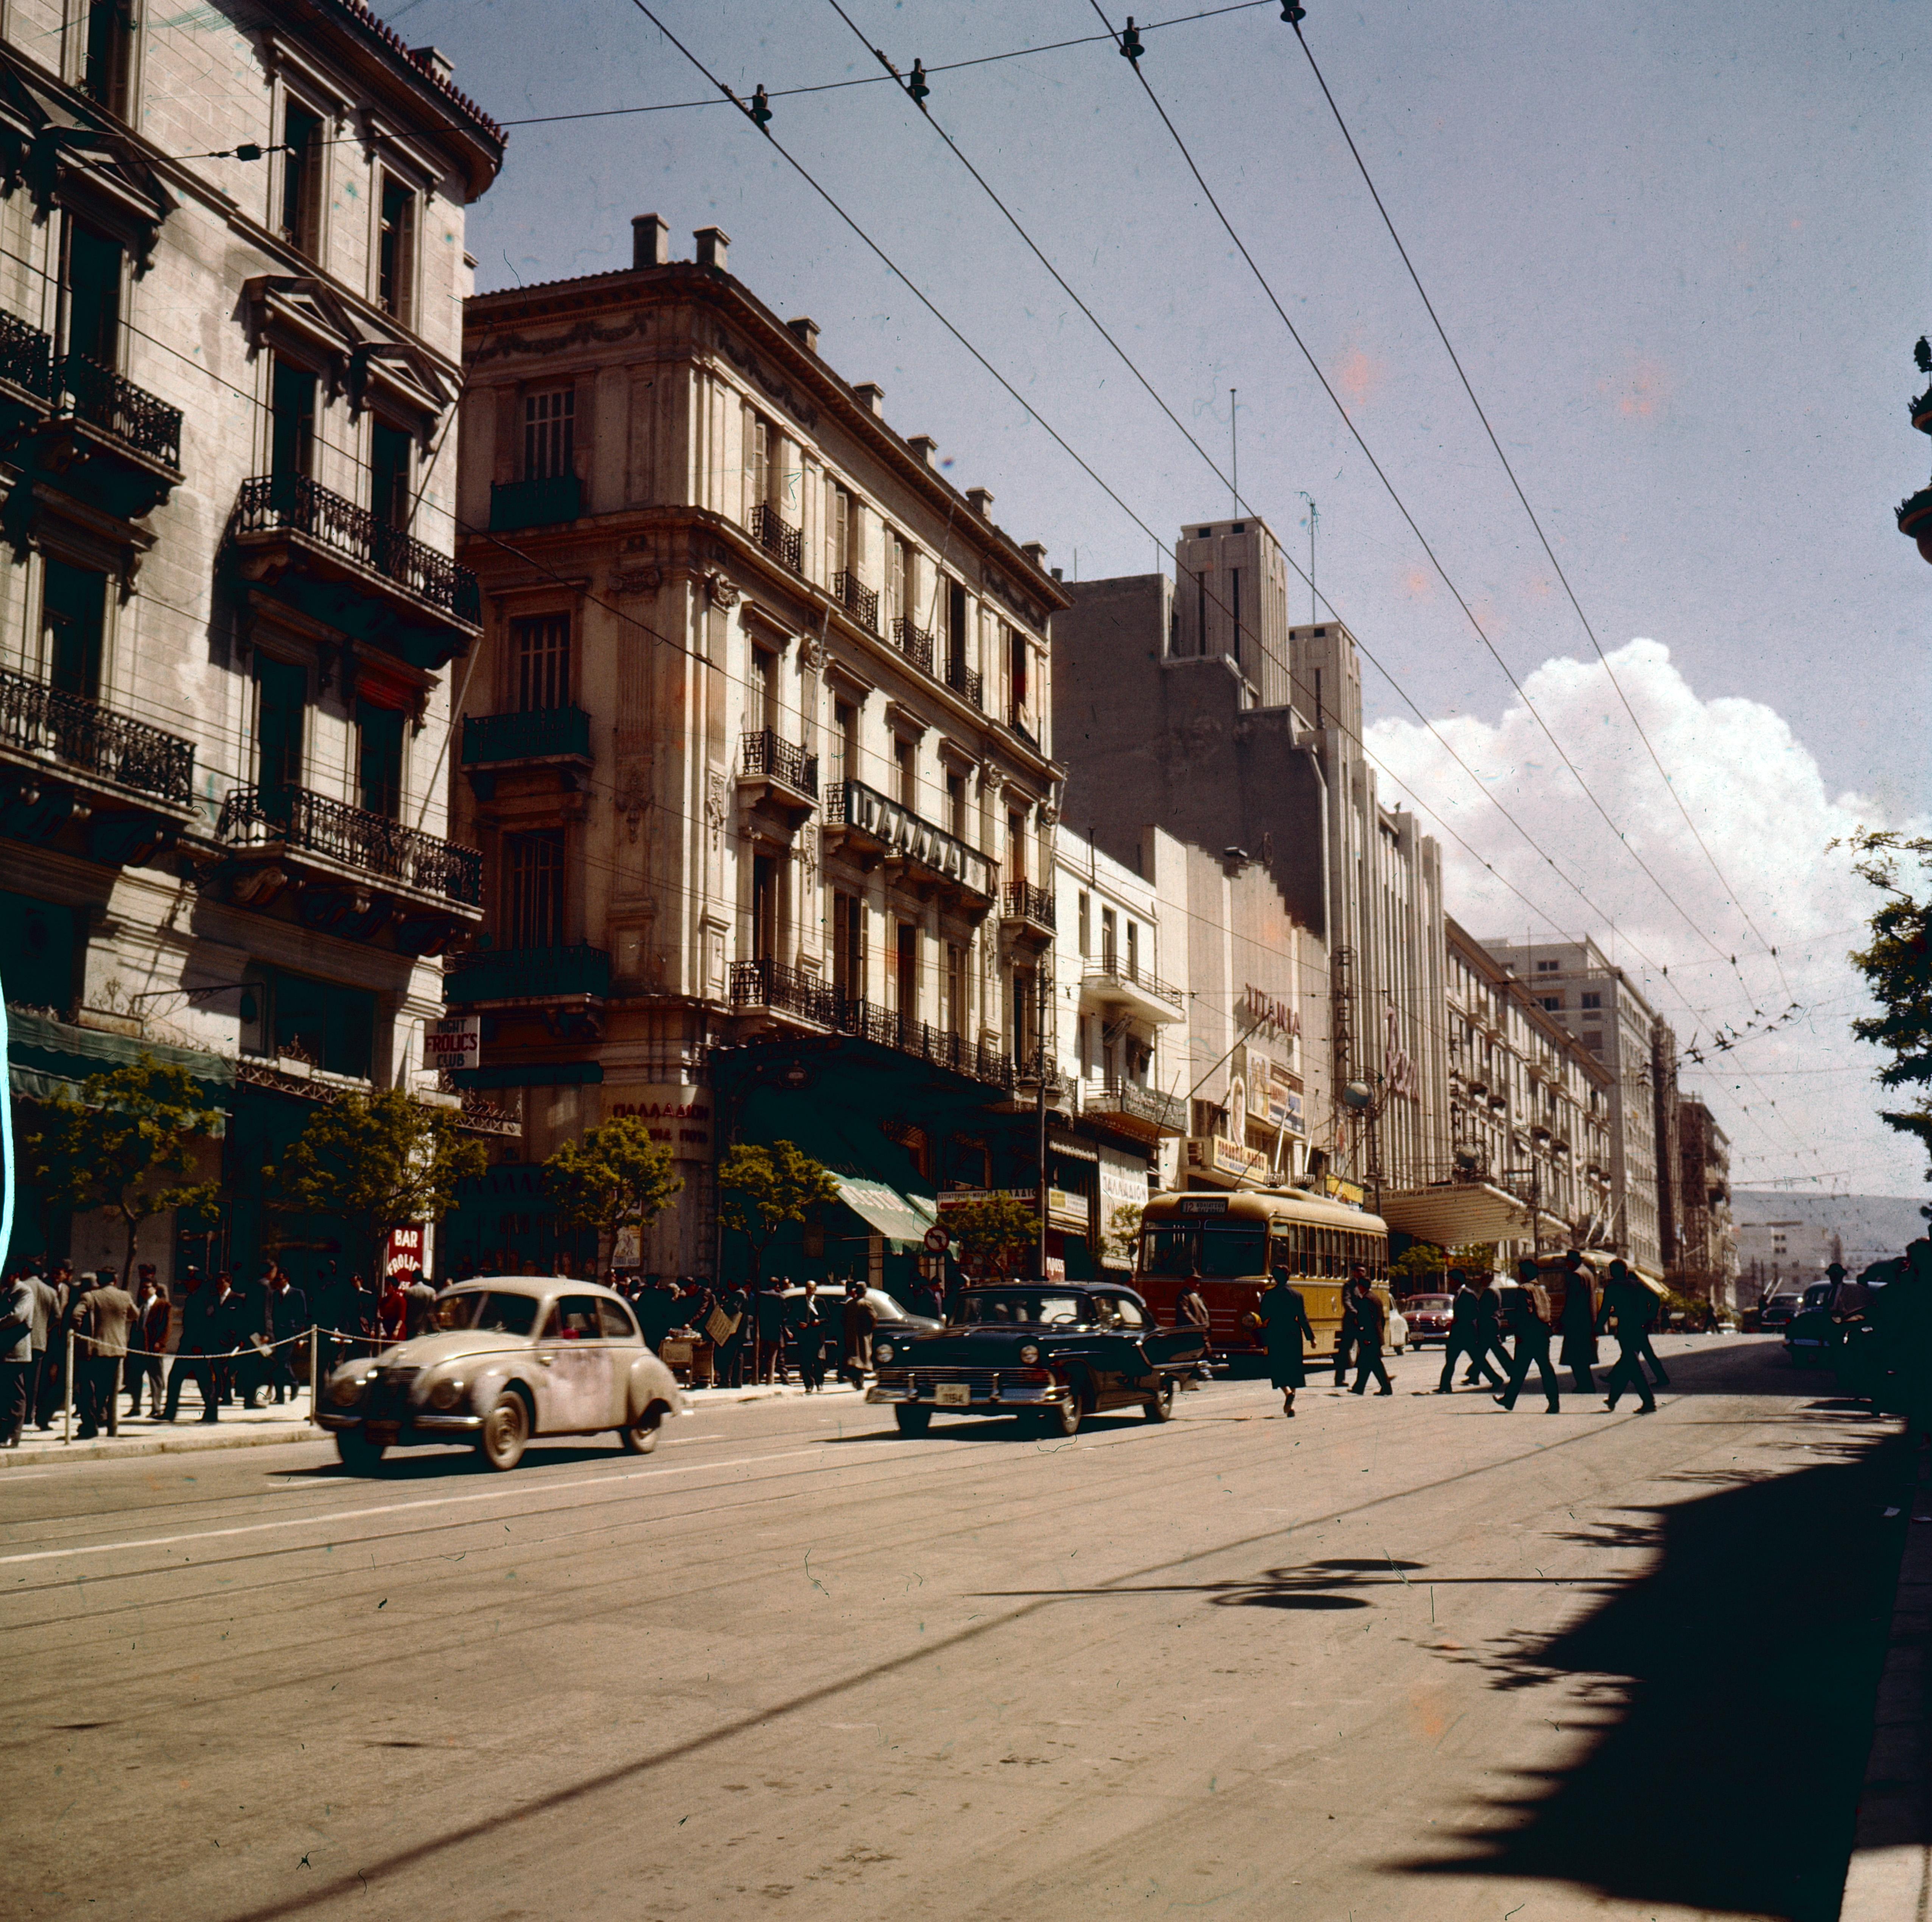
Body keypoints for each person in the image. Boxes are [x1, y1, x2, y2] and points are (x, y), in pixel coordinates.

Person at [76, 1268, 138, 1438]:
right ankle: (105, 1420)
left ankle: (90, 1425)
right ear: (115, 1280)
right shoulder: (125, 1296)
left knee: (89, 1390)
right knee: (107, 1389)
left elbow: (76, 1316)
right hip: (117, 1349)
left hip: (96, 1349)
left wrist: (80, 1333)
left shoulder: (90, 1296)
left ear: (99, 1281)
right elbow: (135, 1314)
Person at [1494, 1261, 1561, 1413]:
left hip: (1528, 1334)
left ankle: (1510, 1399)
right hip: (1543, 1333)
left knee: (1521, 1369)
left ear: (1524, 1273)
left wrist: (1516, 1327)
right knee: (1544, 1368)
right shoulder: (1541, 1290)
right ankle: (1553, 1402)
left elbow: (1526, 1312)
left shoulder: (1524, 1289)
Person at [1596, 1258, 1659, 1414]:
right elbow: (1655, 1299)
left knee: (1634, 1367)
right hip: (1639, 1329)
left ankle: (1649, 1402)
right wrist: (1649, 1319)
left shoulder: (1612, 1288)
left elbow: (1605, 1310)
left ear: (1612, 1273)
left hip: (1626, 1330)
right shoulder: (1637, 1285)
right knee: (1627, 1365)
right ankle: (1612, 1400)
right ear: (1625, 1272)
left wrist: (1597, 1327)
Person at [160, 1270, 222, 1423]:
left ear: (198, 1282)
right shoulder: (193, 1297)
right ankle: (170, 1412)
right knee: (176, 1378)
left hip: (199, 1348)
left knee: (205, 1381)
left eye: (190, 1280)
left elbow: (207, 1324)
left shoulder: (206, 1299)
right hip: (188, 1346)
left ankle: (211, 1413)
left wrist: (200, 1345)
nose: (187, 1284)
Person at [1256, 1267, 1314, 1416]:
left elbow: (1263, 1315)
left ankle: (1288, 1393)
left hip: (1276, 1332)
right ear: (1288, 1276)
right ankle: (1290, 1406)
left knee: (1278, 1366)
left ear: (1275, 1278)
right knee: (1293, 1367)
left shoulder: (1269, 1295)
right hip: (1294, 1332)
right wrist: (1311, 1337)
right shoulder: (1297, 1295)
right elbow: (1303, 1318)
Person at [1438, 1270, 1505, 1393]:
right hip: (1459, 1334)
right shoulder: (1458, 1295)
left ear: (1457, 1281)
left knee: (1478, 1360)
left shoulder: (1468, 1294)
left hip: (1467, 1334)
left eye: (1451, 1280)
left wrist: (1461, 1319)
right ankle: (1445, 1386)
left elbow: (1475, 1313)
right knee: (1451, 1360)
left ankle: (1496, 1379)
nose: (1450, 1282)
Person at [1556, 1251, 1599, 1396]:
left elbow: (1572, 1302)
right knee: (1583, 1357)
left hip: (1576, 1323)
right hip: (1587, 1322)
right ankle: (1587, 1384)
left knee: (1575, 1357)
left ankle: (1584, 1385)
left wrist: (1562, 1322)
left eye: (1567, 1262)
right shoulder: (1588, 1274)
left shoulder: (1576, 1276)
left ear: (1572, 1262)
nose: (1567, 1265)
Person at [128, 1269, 169, 1418]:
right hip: (138, 1348)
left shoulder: (163, 1305)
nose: (144, 1291)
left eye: (147, 1287)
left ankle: (157, 1407)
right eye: (142, 1288)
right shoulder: (141, 1305)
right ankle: (136, 1407)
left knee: (155, 1379)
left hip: (154, 1348)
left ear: (155, 1289)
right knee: (135, 1378)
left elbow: (166, 1327)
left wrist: (161, 1343)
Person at [266, 1269, 310, 1404]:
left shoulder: (297, 1294)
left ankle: (294, 1382)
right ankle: (280, 1395)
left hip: (290, 1333)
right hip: (276, 1333)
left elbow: (302, 1315)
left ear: (287, 1280)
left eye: (280, 1279)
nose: (278, 1282)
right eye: (277, 1280)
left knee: (282, 1361)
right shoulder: (273, 1295)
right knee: (277, 1363)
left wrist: (299, 1335)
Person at [0, 1266, 33, 1445]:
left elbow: (18, 1316)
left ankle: (14, 1434)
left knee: (15, 1395)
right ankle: (4, 1433)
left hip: (15, 1351)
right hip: (5, 1351)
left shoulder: (24, 1291)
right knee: (5, 1394)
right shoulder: (8, 1292)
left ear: (16, 1274)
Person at [1349, 1281, 1394, 1396]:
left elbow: (1368, 1321)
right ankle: (1359, 1388)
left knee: (1375, 1364)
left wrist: (1367, 1337)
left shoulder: (1367, 1300)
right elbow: (1382, 1320)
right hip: (1376, 1336)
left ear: (1362, 1287)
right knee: (1365, 1363)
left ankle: (1387, 1388)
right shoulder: (1375, 1298)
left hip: (1370, 1337)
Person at [790, 1280, 826, 1392]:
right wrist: (799, 1324)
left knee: (818, 1361)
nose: (809, 1290)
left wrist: (819, 1321)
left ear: (815, 1289)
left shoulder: (820, 1302)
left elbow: (828, 1318)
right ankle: (809, 1385)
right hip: (804, 1336)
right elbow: (792, 1318)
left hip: (816, 1335)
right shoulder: (799, 1302)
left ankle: (820, 1383)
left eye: (811, 1288)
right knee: (806, 1361)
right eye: (807, 1288)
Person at [840, 1280, 876, 1389]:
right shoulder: (866, 1303)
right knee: (862, 1357)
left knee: (854, 1357)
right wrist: (870, 1329)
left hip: (851, 1334)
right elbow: (874, 1318)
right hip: (862, 1335)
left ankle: (855, 1379)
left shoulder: (850, 1303)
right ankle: (860, 1382)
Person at [1176, 1282, 1212, 1386]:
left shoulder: (1196, 1295)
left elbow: (1204, 1311)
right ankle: (1190, 1381)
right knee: (1193, 1355)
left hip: (1199, 1330)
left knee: (1200, 1353)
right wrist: (1197, 1326)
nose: (1198, 1284)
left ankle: (1192, 1381)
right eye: (1195, 1281)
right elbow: (1185, 1312)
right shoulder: (1184, 1295)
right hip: (1191, 1331)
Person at [1333, 1269, 1364, 1386]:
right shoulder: (1349, 1286)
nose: (1362, 1273)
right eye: (1360, 1271)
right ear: (1354, 1273)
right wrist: (1355, 1313)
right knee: (1345, 1351)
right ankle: (1339, 1379)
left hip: (1361, 1321)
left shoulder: (1363, 1285)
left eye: (1364, 1271)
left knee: (1367, 1349)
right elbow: (1346, 1301)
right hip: (1351, 1322)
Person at [755, 1281, 790, 1385]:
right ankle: (770, 1380)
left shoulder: (760, 1296)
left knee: (762, 1357)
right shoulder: (780, 1297)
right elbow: (784, 1314)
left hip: (762, 1331)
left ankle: (758, 1379)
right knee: (775, 1357)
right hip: (775, 1331)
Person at [402, 1268, 437, 1339]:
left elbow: (406, 1309)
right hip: (427, 1326)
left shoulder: (409, 1292)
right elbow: (433, 1308)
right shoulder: (431, 1291)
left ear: (414, 1279)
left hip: (412, 1326)